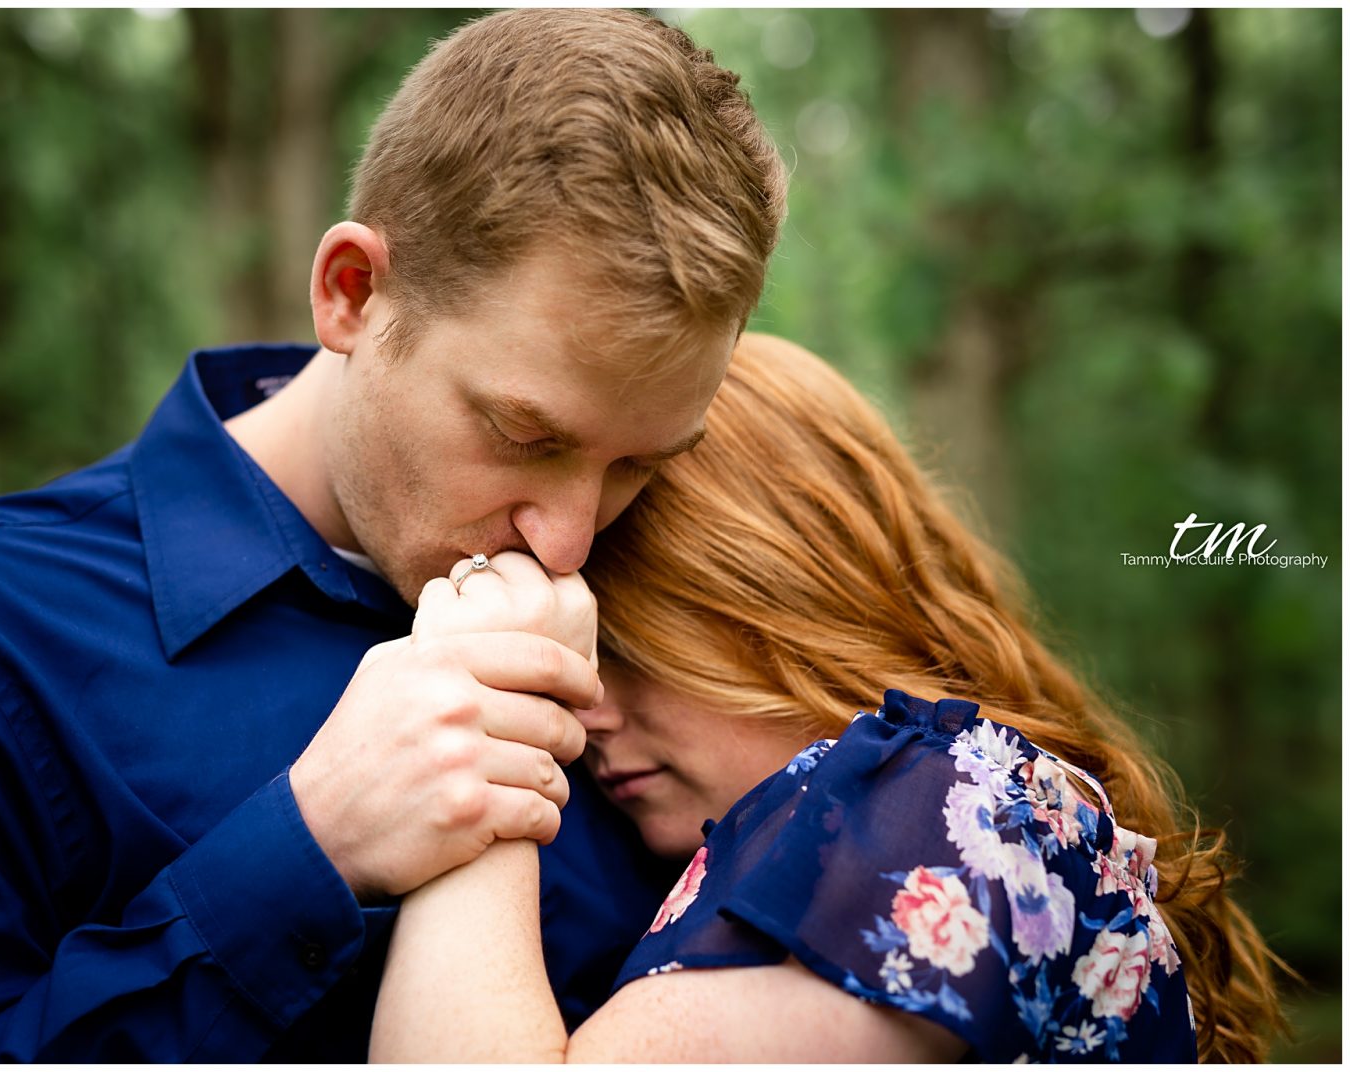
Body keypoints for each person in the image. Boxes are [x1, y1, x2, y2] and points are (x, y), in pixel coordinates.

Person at [0, 10, 786, 1061]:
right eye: (522, 434)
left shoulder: (679, 604)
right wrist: (307, 854)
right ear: (352, 293)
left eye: (638, 463)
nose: (568, 541)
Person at [368, 333, 1292, 1063]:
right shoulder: (981, 806)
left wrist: (481, 713)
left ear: (784, 596)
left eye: (628, 647)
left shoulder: (930, 809)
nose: (580, 708)